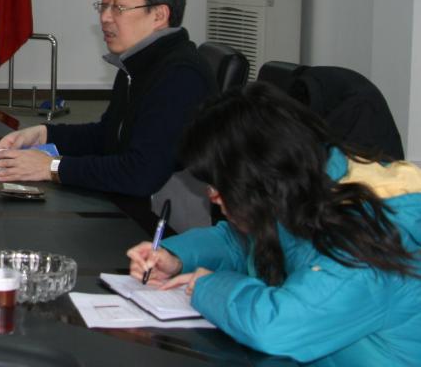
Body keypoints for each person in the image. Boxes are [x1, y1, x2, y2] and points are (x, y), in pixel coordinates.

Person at [127, 83, 421, 365]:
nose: (213, 198)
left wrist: (207, 286)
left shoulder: (371, 239)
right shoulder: (304, 189)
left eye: (218, 186)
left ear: (254, 177)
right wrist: (177, 258)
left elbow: (277, 326)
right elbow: (241, 242)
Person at [0, 0, 215, 197]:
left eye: (118, 7)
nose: (105, 17)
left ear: (159, 15)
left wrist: (52, 167)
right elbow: (108, 136)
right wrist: (43, 134)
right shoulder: (138, 62)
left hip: (161, 214)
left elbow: (141, 174)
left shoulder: (180, 76)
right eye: (104, 5)